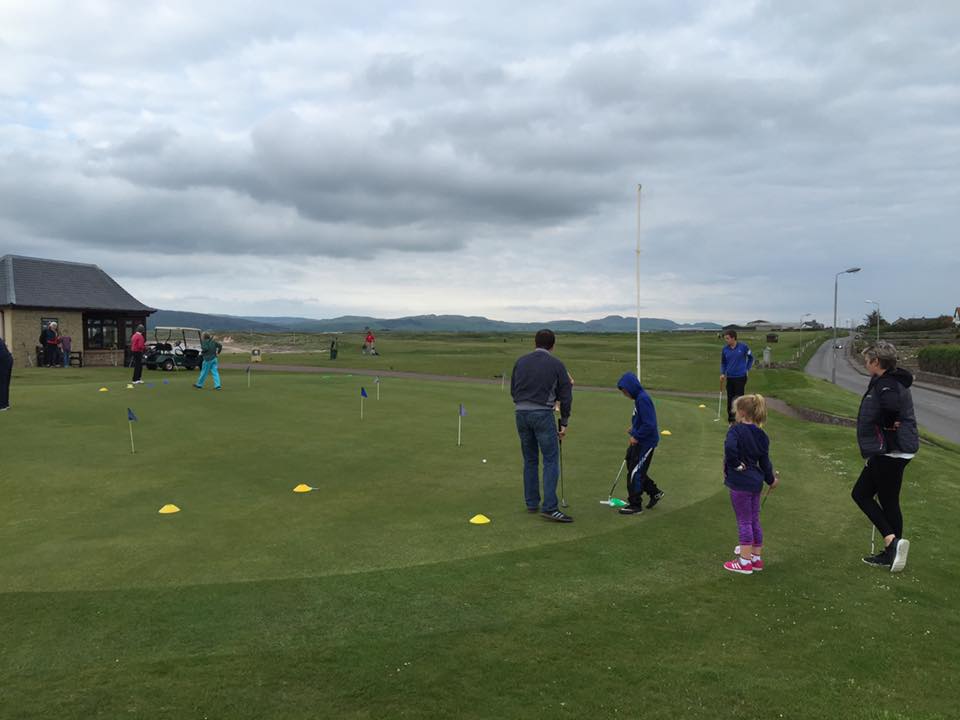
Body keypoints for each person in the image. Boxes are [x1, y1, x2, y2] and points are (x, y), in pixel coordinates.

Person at [851, 342, 918, 572]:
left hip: (890, 450)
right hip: (890, 450)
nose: (865, 363)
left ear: (876, 362)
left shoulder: (887, 383)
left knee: (870, 496)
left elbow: (890, 408)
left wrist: (887, 425)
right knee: (868, 495)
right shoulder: (886, 380)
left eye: (867, 360)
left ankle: (892, 544)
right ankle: (893, 547)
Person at [511, 329, 573, 522]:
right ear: (553, 346)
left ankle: (531, 503)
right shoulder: (557, 364)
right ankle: (550, 507)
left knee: (530, 459)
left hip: (520, 413)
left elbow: (513, 390)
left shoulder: (521, 362)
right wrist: (564, 422)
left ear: (535, 343)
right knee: (550, 460)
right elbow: (565, 396)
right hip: (542, 414)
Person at [722, 394, 779, 574]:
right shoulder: (762, 435)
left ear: (742, 412)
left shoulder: (735, 430)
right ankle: (755, 558)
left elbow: (730, 449)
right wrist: (771, 480)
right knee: (754, 519)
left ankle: (744, 562)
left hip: (741, 483)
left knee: (744, 521)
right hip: (756, 483)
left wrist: (736, 465)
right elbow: (765, 462)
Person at [616, 371, 665, 514]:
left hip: (646, 442)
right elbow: (642, 419)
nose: (625, 394)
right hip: (640, 440)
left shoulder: (643, 399)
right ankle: (654, 492)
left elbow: (650, 424)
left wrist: (636, 435)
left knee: (635, 472)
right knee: (632, 466)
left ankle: (635, 504)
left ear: (631, 387)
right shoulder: (638, 399)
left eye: (625, 391)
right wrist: (634, 427)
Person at [720, 330, 754, 423]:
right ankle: (731, 421)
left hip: (740, 377)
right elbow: (723, 363)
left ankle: (739, 421)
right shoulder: (725, 349)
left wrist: (747, 368)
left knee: (739, 400)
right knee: (730, 400)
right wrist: (722, 373)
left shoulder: (743, 347)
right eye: (725, 338)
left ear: (733, 338)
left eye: (727, 338)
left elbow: (751, 358)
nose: (726, 340)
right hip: (730, 377)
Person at [0, 335, 13, 411]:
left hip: (3, 361)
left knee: (2, 383)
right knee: (4, 383)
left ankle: (2, 405)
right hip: (8, 359)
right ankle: (5, 404)